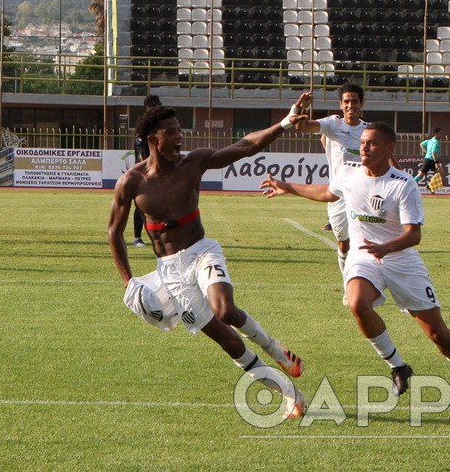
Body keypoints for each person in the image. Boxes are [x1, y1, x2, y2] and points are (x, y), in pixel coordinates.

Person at [260, 122, 450, 399]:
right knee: (357, 302)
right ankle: (398, 367)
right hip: (364, 256)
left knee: (438, 333)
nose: (364, 148)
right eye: (363, 143)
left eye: (372, 143)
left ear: (389, 149)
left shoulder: (403, 185)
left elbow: (413, 235)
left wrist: (386, 247)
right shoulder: (348, 173)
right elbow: (328, 193)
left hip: (401, 261)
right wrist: (288, 187)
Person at [108, 105, 308, 417]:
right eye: (171, 132)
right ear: (152, 139)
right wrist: (128, 282)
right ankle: (290, 394)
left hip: (202, 251)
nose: (180, 136)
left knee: (225, 309)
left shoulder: (194, 162)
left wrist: (284, 122)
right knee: (227, 342)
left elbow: (245, 146)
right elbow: (113, 232)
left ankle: (276, 349)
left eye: (179, 129)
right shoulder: (132, 182)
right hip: (170, 273)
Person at [289, 86, 402, 282]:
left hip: (365, 195)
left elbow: (387, 155)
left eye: (354, 101)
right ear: (341, 104)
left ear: (361, 104)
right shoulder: (332, 124)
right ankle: (348, 282)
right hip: (338, 196)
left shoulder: (368, 130)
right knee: (344, 244)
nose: (351, 105)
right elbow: (302, 127)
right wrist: (300, 108)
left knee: (369, 241)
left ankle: (367, 283)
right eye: (347, 101)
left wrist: (401, 179)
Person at [132, 95, 162, 247]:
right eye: (156, 105)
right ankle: (137, 238)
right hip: (143, 173)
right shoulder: (144, 126)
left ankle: (158, 236)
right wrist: (148, 169)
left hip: (158, 170)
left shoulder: (159, 125)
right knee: (141, 206)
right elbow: (141, 153)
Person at [414, 127, 442, 193]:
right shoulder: (435, 142)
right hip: (430, 160)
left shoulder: (430, 141)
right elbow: (433, 152)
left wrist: (426, 151)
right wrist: (436, 162)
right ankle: (409, 184)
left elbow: (421, 144)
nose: (441, 134)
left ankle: (430, 186)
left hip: (430, 160)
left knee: (440, 172)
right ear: (436, 134)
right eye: (440, 133)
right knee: (420, 175)